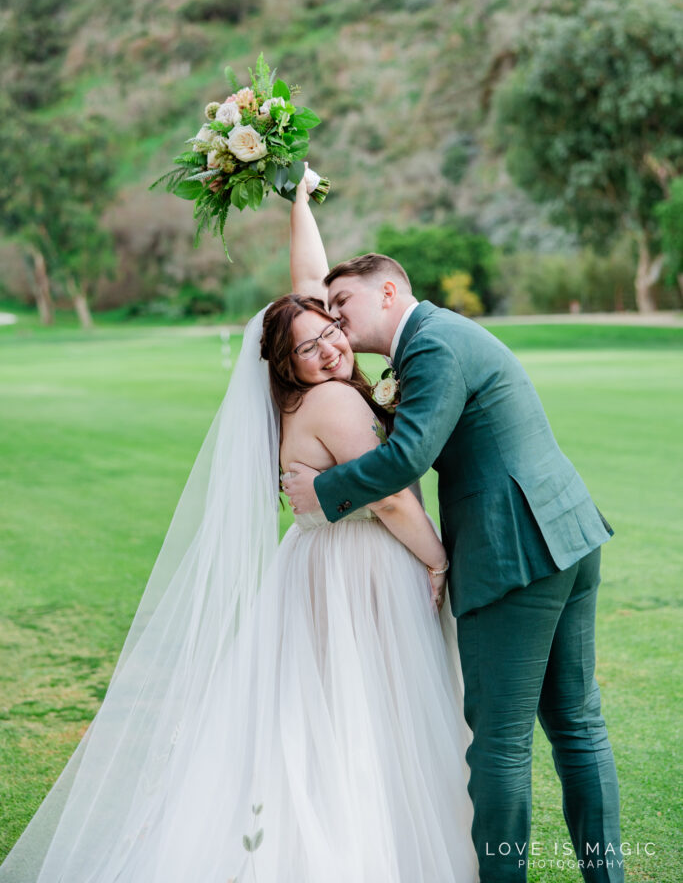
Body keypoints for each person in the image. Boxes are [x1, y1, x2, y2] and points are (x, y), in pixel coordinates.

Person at [0, 174, 478, 883]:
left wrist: (301, 205)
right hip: (359, 566)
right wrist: (437, 561)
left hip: (316, 565)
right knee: (363, 712)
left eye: (329, 334)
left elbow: (309, 280)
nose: (329, 350)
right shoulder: (336, 407)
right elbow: (391, 503)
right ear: (284, 369)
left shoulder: (302, 399)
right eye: (308, 349)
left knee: (318, 710)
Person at [283, 249, 624, 882]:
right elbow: (305, 297)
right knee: (577, 725)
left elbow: (407, 456)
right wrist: (299, 201)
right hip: (566, 532)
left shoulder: (433, 346)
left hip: (515, 550)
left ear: (388, 293)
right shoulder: (433, 338)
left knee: (499, 742)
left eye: (343, 306)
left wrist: (323, 493)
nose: (336, 321)